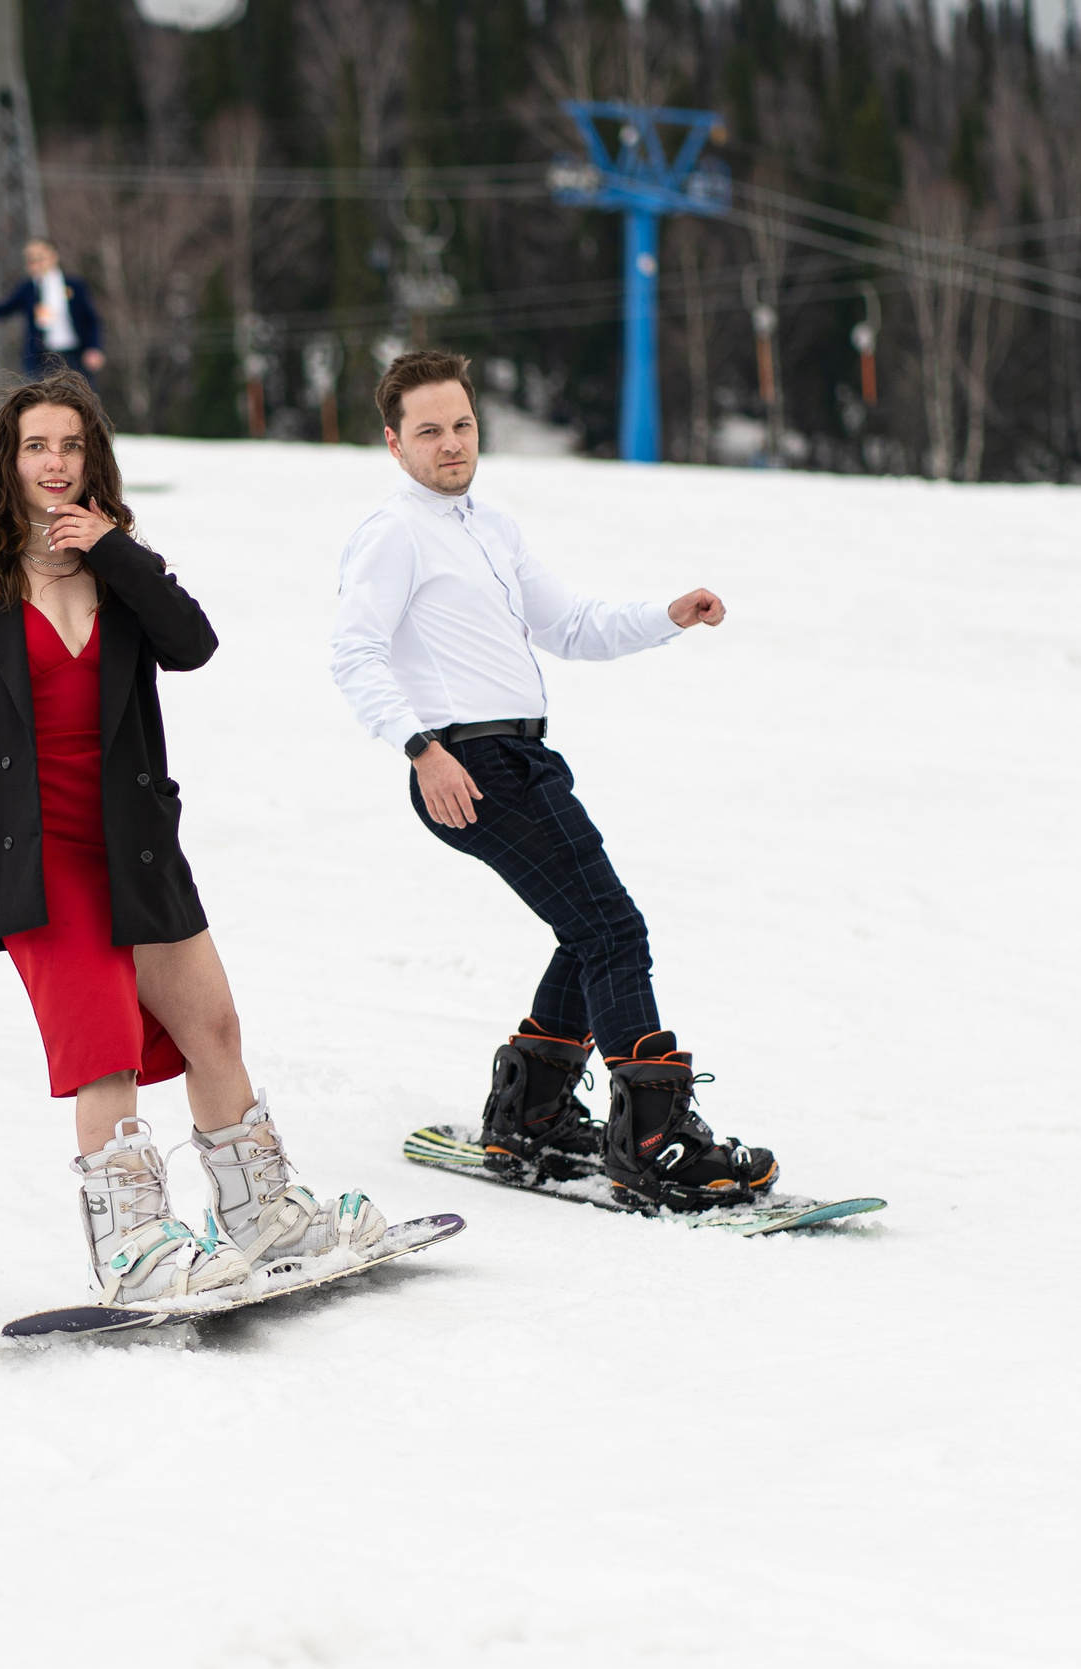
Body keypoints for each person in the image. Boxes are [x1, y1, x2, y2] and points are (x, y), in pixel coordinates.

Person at [0, 369, 386, 1309]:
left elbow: (193, 645)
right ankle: (134, 1250)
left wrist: (116, 552)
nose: (55, 462)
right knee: (106, 1050)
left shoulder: (123, 572)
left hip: (136, 847)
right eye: (37, 445)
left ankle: (262, 1218)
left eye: (71, 445)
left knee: (214, 1029)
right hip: (39, 857)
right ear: (10, 461)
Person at [329, 349, 774, 1209]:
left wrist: (668, 616)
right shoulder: (393, 534)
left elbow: (568, 626)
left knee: (590, 926)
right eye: (429, 430)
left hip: (525, 759)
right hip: (469, 763)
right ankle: (654, 1140)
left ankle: (531, 1109)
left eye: (462, 424)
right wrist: (422, 750)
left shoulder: (491, 528)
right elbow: (354, 653)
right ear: (394, 443)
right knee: (613, 927)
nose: (451, 443)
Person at [0, 239, 105, 384]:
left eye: (39, 257)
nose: (34, 263)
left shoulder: (74, 285)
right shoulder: (28, 289)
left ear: (53, 256)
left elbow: (91, 320)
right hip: (42, 359)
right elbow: (2, 310)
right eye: (30, 259)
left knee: (81, 401)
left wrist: (94, 348)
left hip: (75, 356)